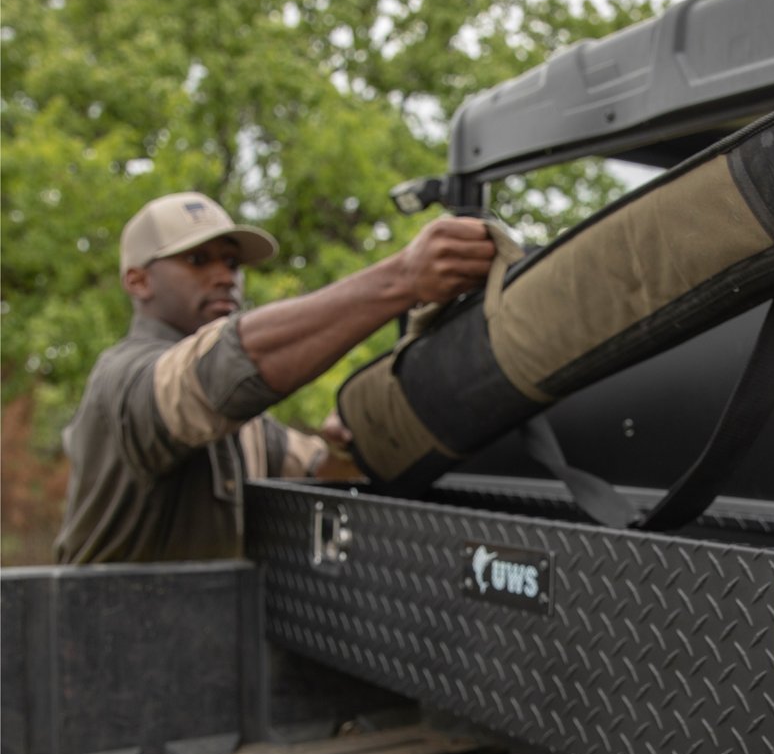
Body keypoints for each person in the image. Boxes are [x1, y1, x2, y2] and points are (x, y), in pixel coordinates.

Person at [54, 191, 496, 564]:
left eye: (232, 262)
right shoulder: (121, 380)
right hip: (99, 637)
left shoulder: (245, 427)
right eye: (197, 260)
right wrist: (401, 280)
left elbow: (320, 470)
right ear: (138, 282)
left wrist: (349, 440)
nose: (225, 277)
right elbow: (217, 369)